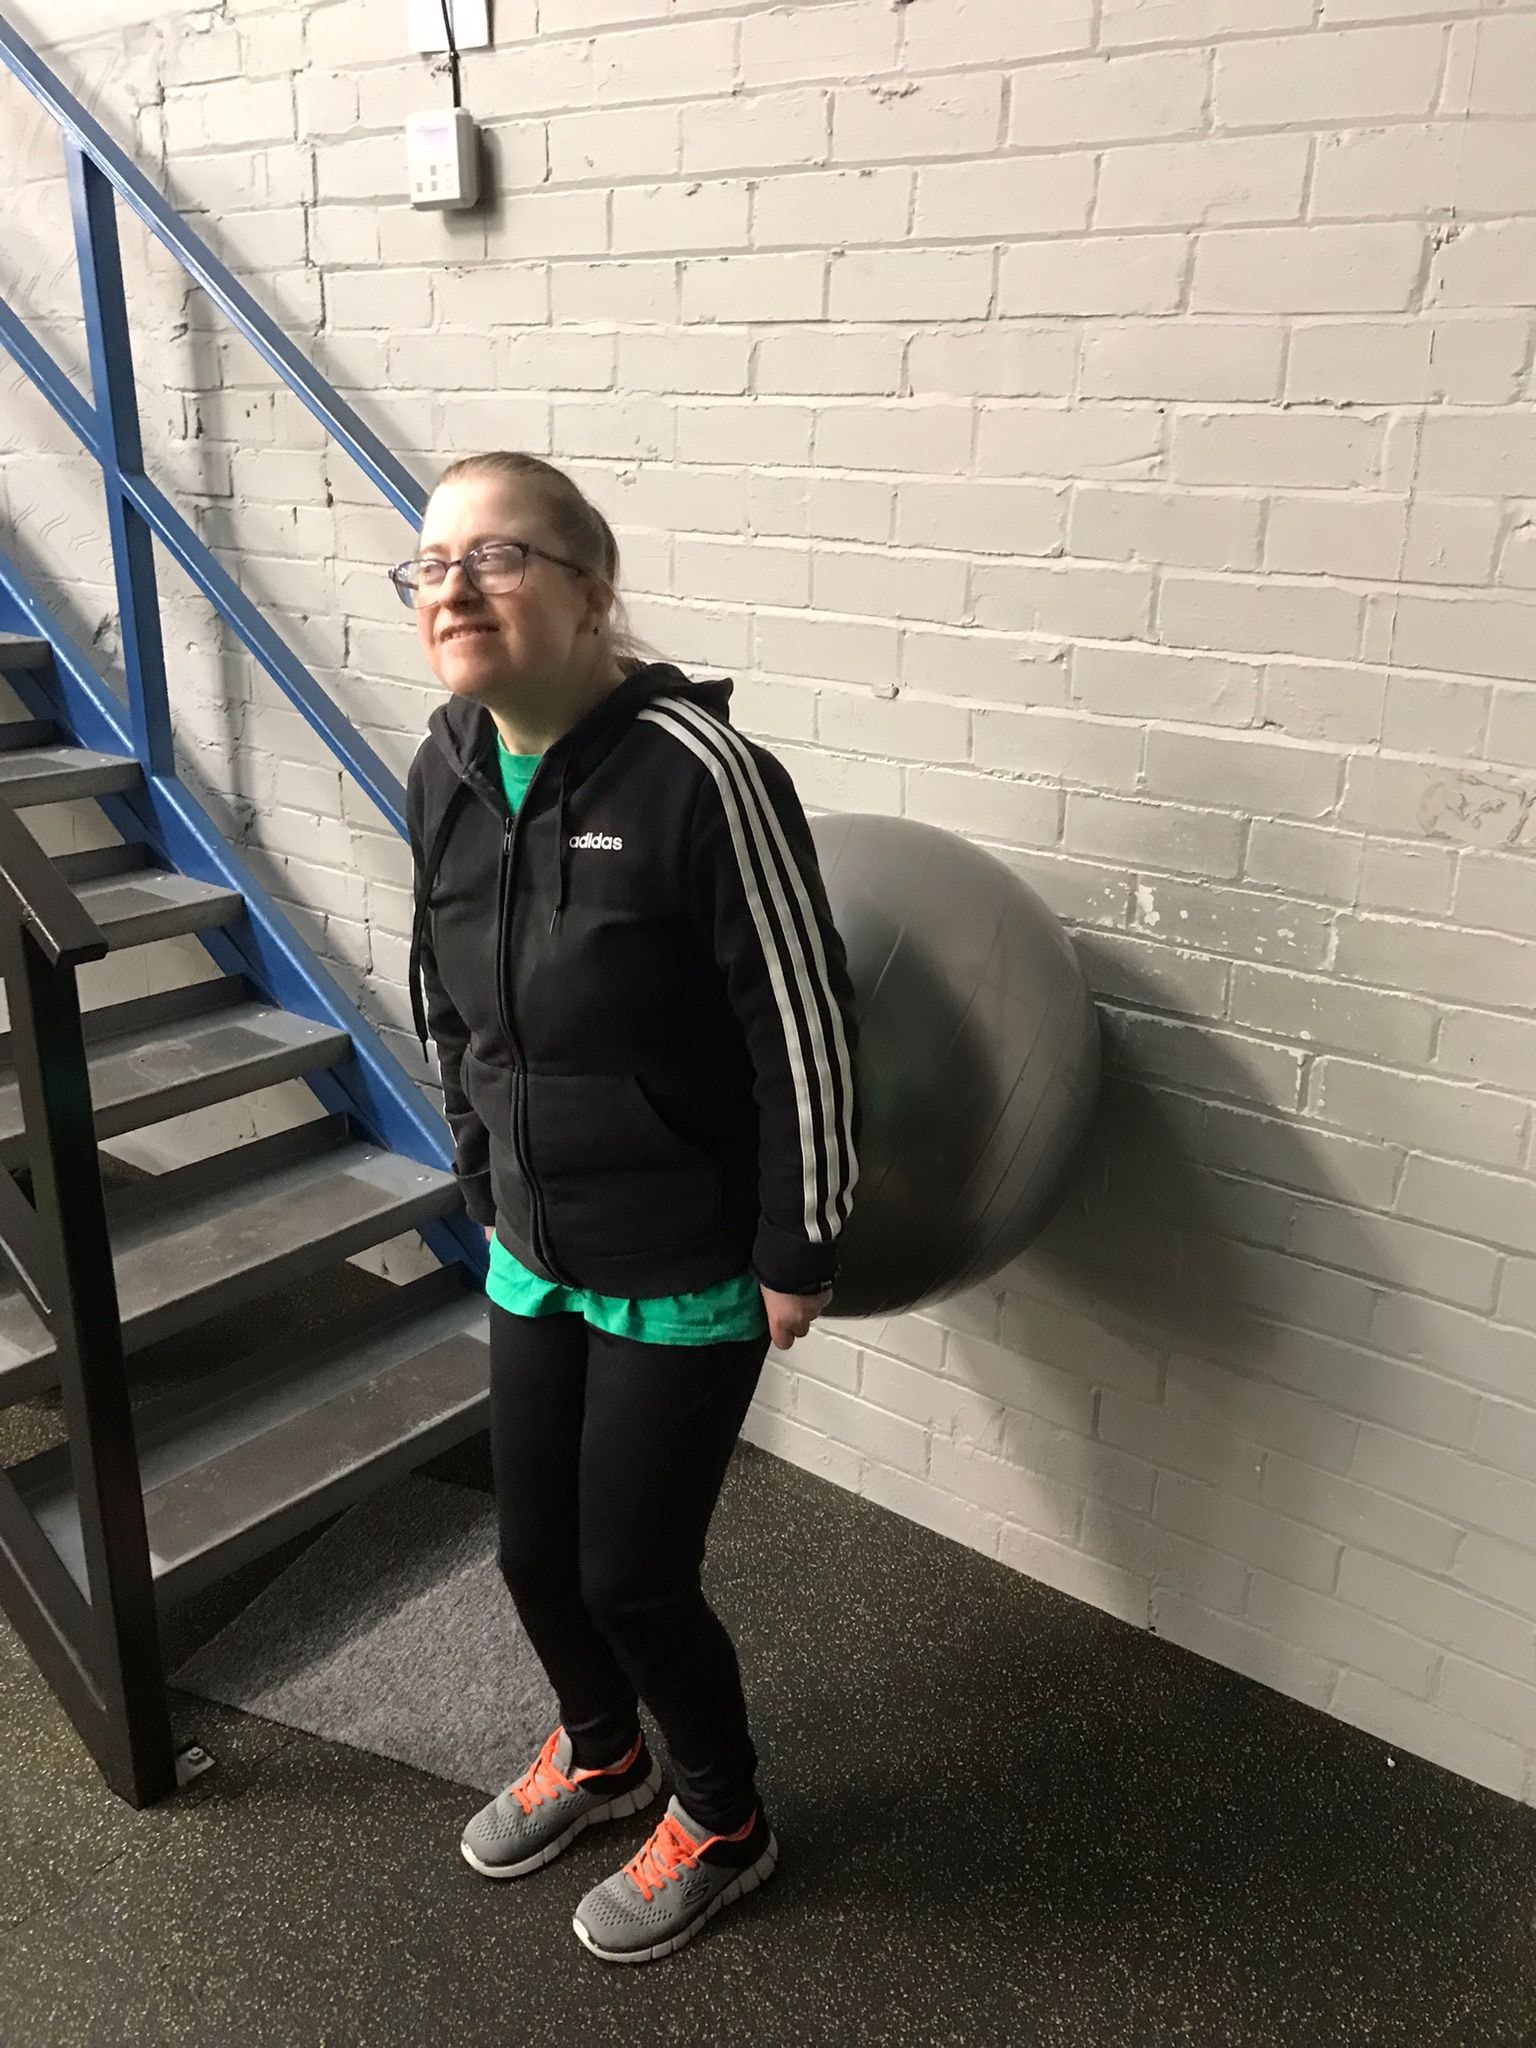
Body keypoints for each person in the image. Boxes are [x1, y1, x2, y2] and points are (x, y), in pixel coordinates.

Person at [401, 452, 859, 1964]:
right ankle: (604, 1754)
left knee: (634, 1578)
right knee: (533, 1555)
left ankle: (723, 1817)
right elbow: (445, 995)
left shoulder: (701, 776)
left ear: (594, 592)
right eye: (432, 563)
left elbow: (802, 1023)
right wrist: (480, 1171)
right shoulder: (447, 764)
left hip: (684, 1251)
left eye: (497, 555)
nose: (455, 587)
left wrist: (801, 1243)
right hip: (535, 1241)